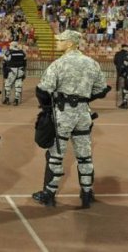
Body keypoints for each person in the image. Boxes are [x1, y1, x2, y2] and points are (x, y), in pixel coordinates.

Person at [32, 30, 109, 208]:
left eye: (61, 39)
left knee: (56, 156)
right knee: (85, 156)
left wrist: (46, 107)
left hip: (63, 113)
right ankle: (87, 193)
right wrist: (84, 97)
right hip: (83, 113)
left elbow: (43, 90)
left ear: (70, 43)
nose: (58, 41)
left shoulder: (59, 64)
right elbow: (102, 89)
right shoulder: (92, 63)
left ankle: (49, 193)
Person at [2, 41, 27, 106]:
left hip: (11, 71)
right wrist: (23, 72)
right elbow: (25, 63)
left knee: (8, 84)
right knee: (18, 85)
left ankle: (7, 99)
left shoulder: (8, 52)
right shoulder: (22, 52)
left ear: (12, 45)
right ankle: (16, 100)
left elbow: (4, 62)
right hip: (20, 70)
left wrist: (4, 72)